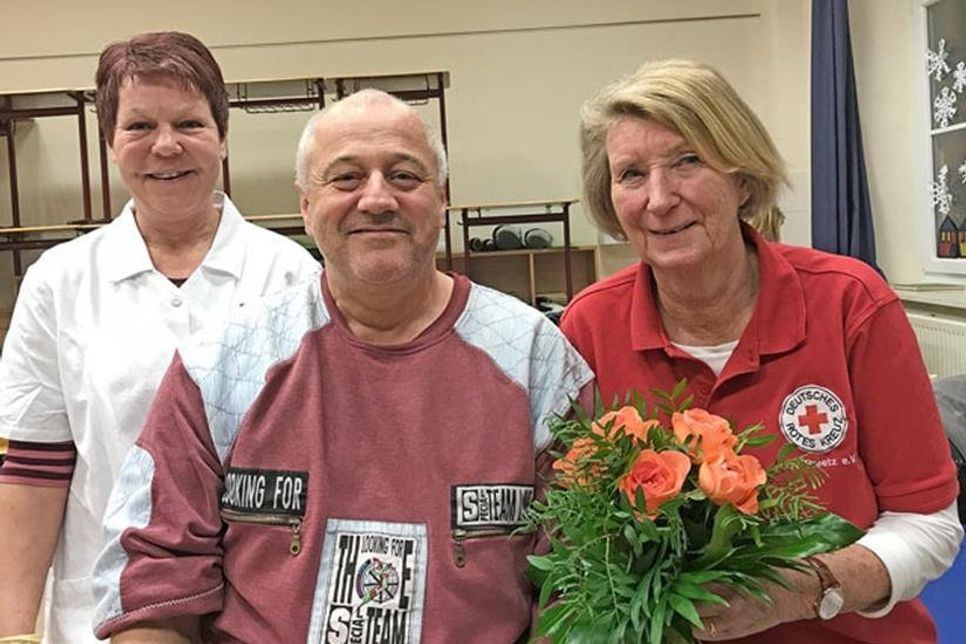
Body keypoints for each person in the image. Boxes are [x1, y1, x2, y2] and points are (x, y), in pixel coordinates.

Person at [90, 88, 594, 643]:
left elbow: (581, 585)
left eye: (404, 176)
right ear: (306, 205)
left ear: (442, 198)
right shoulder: (221, 367)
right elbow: (155, 581)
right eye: (346, 178)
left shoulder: (536, 362)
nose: (376, 199)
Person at [561, 59, 963, 643]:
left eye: (688, 161)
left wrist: (803, 590)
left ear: (742, 180)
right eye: (631, 174)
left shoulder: (849, 303)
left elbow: (928, 523)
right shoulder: (589, 326)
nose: (659, 198)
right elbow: (577, 534)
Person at [0, 32, 319, 644]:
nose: (165, 145)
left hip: (262, 611)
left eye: (189, 123)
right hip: (103, 610)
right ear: (110, 142)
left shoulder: (291, 277)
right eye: (139, 125)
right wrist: (13, 632)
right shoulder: (60, 282)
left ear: (223, 136)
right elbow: (35, 469)